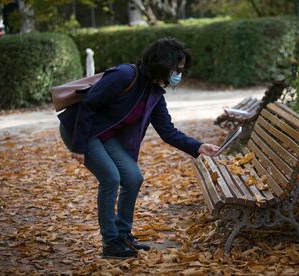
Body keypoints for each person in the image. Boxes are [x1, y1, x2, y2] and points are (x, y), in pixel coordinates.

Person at [58, 37, 220, 259]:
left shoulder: (154, 93)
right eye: (177, 68)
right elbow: (88, 104)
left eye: (181, 69)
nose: (179, 73)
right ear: (163, 64)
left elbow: (168, 131)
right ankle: (111, 242)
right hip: (80, 130)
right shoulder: (125, 75)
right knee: (111, 178)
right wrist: (79, 146)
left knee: (133, 178)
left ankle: (123, 235)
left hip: (105, 135)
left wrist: (199, 146)